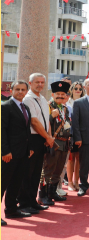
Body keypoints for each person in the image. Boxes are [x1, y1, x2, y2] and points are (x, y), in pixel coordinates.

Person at [18, 73, 55, 212]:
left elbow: (47, 120)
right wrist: (47, 137)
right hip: (33, 139)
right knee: (27, 173)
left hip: (42, 139)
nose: (40, 84)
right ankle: (24, 203)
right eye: (37, 82)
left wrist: (49, 136)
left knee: (36, 173)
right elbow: (34, 121)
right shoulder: (28, 99)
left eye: (42, 82)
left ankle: (32, 201)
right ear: (30, 83)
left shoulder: (43, 98)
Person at [2, 80, 34, 225]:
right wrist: (5, 151)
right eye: (17, 89)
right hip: (9, 154)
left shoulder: (25, 106)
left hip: (22, 153)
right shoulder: (5, 106)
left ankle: (11, 210)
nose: (20, 92)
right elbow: (1, 131)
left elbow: (26, 130)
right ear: (11, 90)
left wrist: (30, 148)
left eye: (23, 89)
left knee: (15, 183)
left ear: (26, 91)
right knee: (2, 184)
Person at [42, 81, 72, 203]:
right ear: (53, 94)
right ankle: (43, 196)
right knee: (48, 169)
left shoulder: (65, 108)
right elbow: (42, 124)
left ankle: (52, 193)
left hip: (64, 144)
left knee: (58, 170)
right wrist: (51, 116)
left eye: (62, 94)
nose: (60, 96)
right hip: (53, 143)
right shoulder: (48, 107)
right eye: (57, 94)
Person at [66, 82, 84, 192]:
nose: (78, 90)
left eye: (80, 89)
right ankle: (70, 182)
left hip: (82, 134)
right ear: (71, 90)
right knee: (70, 159)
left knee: (79, 159)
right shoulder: (67, 103)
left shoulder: (84, 102)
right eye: (75, 88)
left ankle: (77, 181)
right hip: (70, 134)